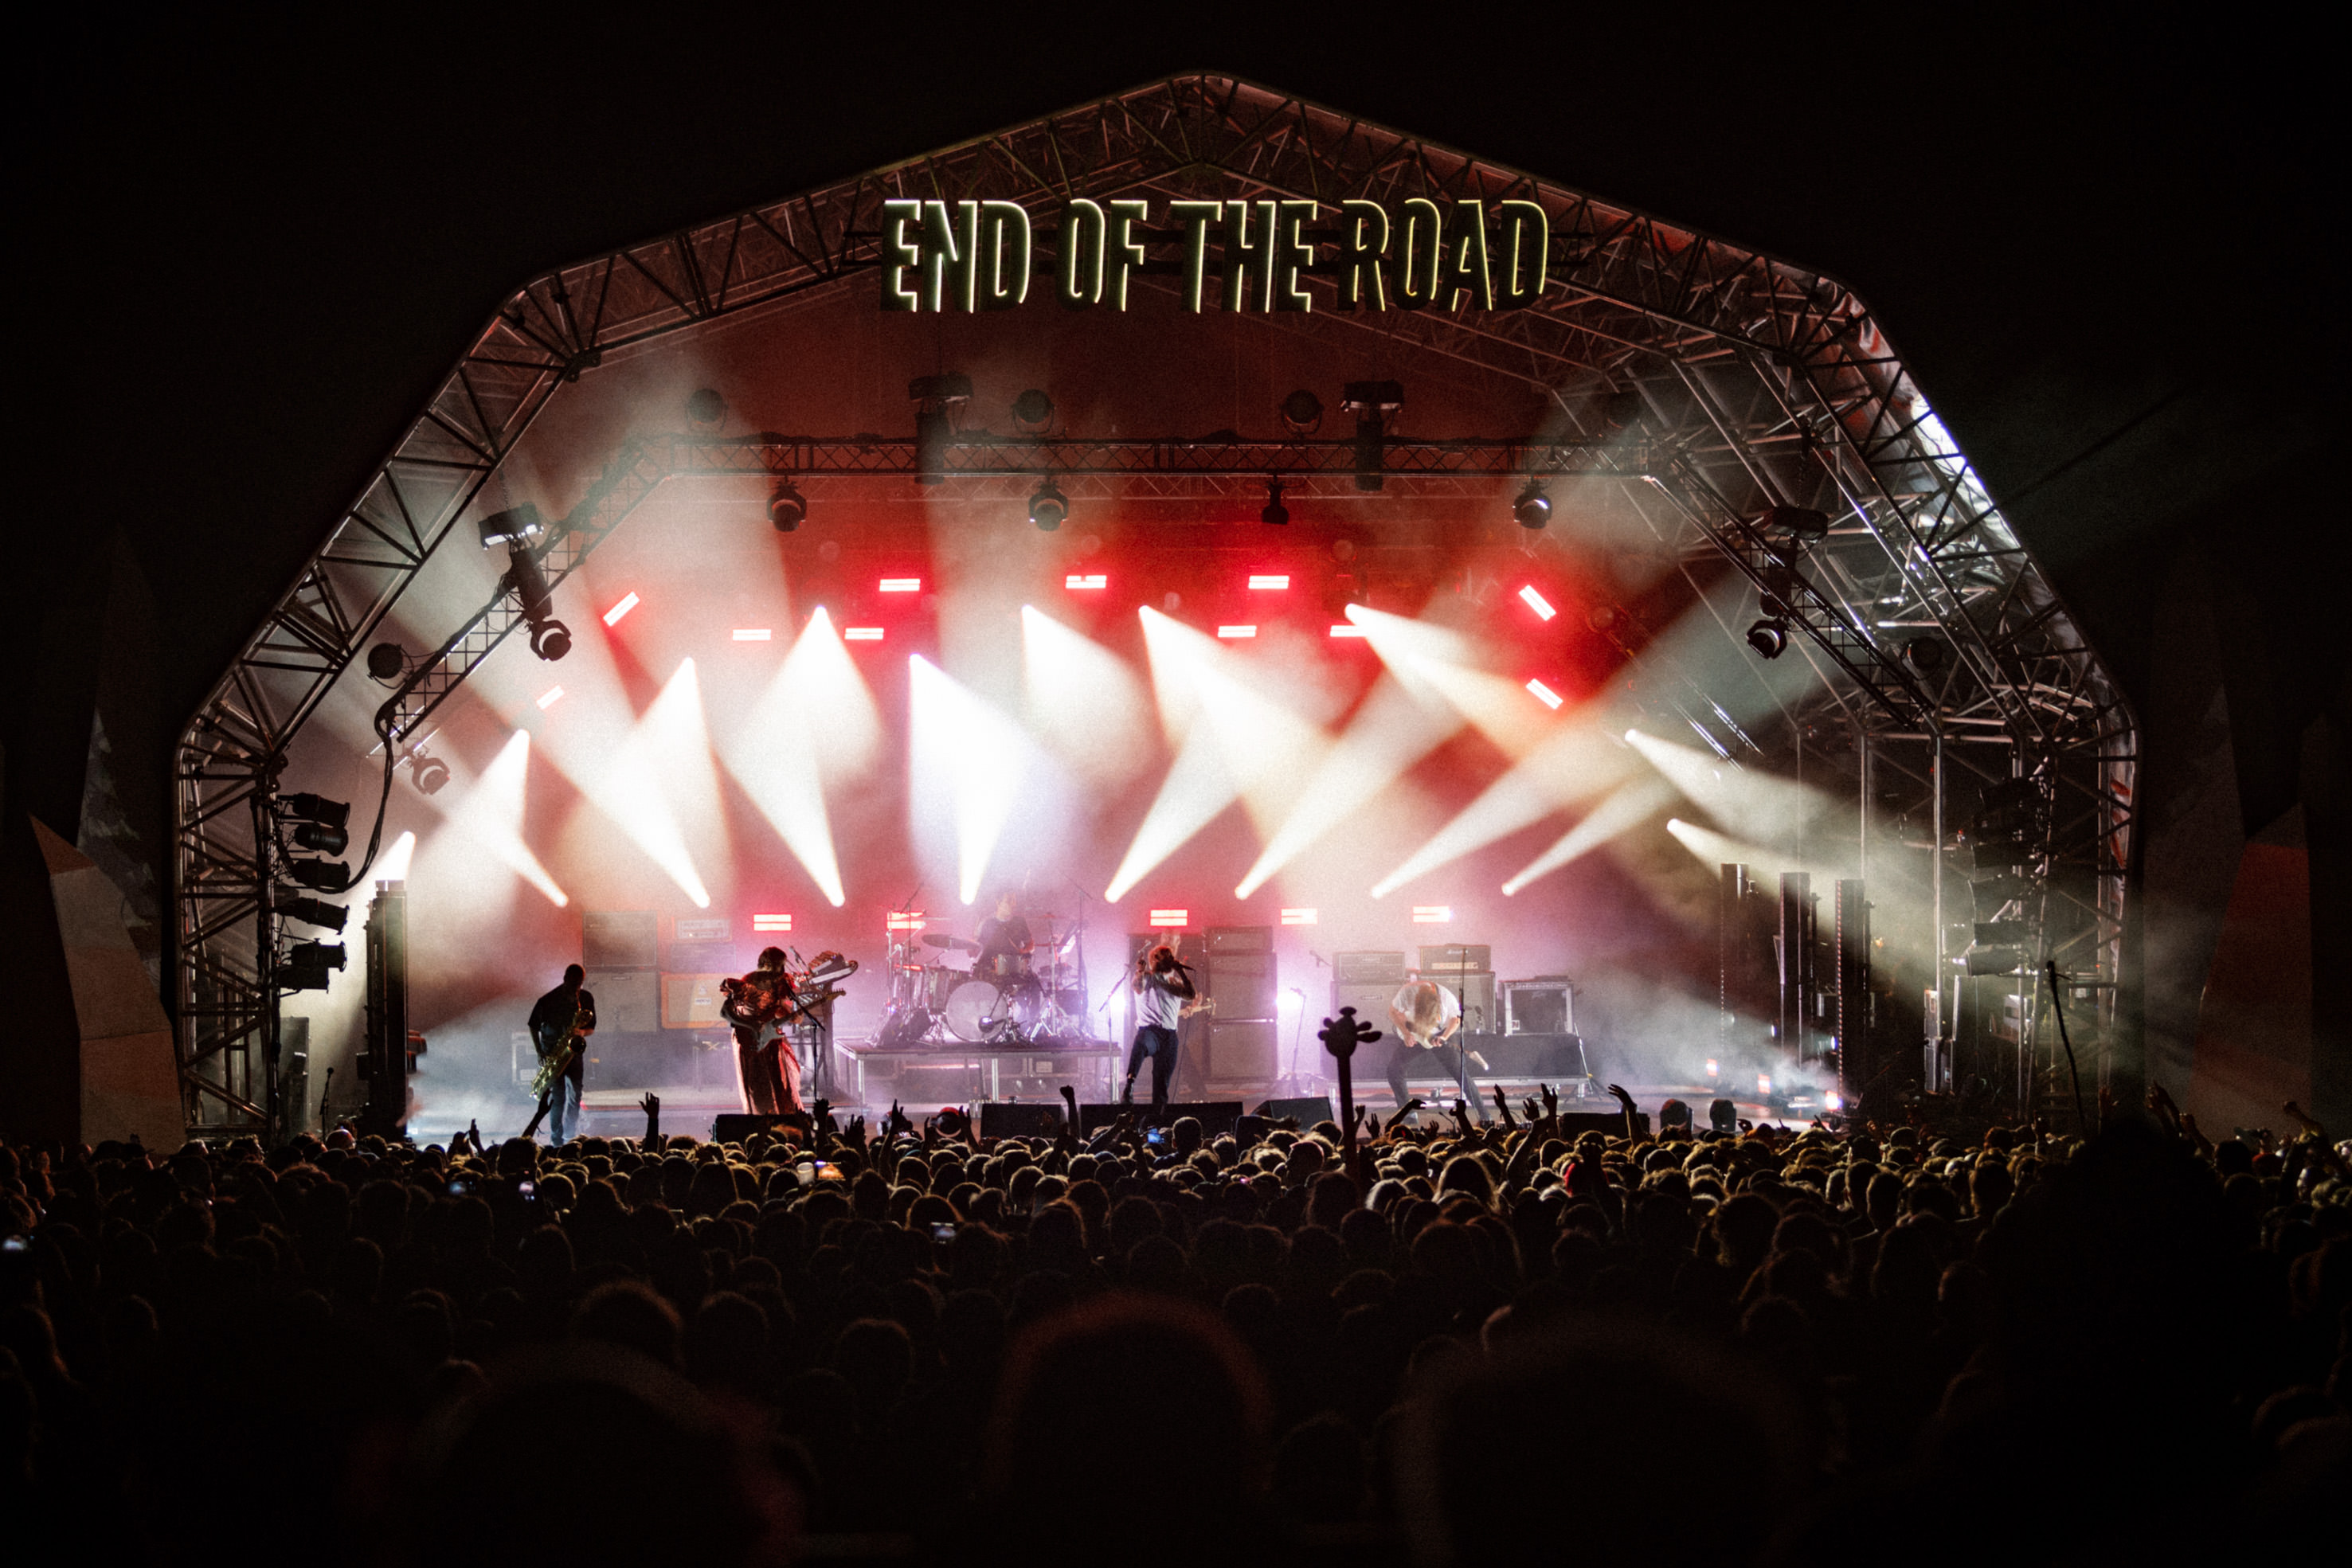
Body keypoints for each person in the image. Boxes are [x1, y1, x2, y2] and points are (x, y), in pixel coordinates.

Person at [1384, 975, 1485, 1113]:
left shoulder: (1446, 998)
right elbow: (1392, 1012)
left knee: (1460, 1072)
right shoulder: (1406, 993)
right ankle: (1407, 1114)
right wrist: (1406, 1034)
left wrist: (1444, 1037)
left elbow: (1455, 1020)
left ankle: (1483, 1114)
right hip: (1417, 1032)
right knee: (1394, 1070)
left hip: (1440, 1033)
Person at [1122, 943, 1195, 1124]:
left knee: (1162, 1083)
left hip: (1169, 1035)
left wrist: (1181, 972)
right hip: (1150, 1030)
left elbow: (1190, 995)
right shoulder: (1148, 978)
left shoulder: (1175, 983)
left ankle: (1157, 1124)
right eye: (1166, 955)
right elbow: (1137, 987)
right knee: (1141, 1044)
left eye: (1171, 955)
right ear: (1155, 959)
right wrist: (1139, 971)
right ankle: (1130, 1083)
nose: (1171, 958)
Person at [722, 948, 797, 1116]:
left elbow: (780, 1011)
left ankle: (783, 1121)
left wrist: (792, 1016)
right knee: (757, 1083)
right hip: (748, 1039)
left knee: (779, 1080)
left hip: (771, 1037)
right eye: (779, 966)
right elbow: (725, 1013)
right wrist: (751, 1025)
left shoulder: (781, 982)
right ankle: (760, 1122)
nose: (782, 970)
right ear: (767, 964)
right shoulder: (746, 982)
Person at [526, 964, 596, 1144]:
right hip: (553, 1053)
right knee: (559, 1098)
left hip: (573, 1053)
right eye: (574, 984)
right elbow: (533, 1025)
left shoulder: (585, 998)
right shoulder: (548, 1000)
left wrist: (581, 1033)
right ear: (565, 979)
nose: (576, 989)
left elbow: (591, 1029)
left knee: (576, 1096)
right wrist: (539, 1051)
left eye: (579, 984)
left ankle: (570, 1134)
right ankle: (557, 1139)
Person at [975, 891, 1034, 983]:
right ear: (998, 902)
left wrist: (1022, 953)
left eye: (1014, 901)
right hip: (990, 973)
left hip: (1014, 972)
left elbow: (1031, 945)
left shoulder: (1019, 922)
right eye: (1009, 901)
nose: (1013, 904)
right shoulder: (988, 923)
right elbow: (974, 952)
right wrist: (971, 942)